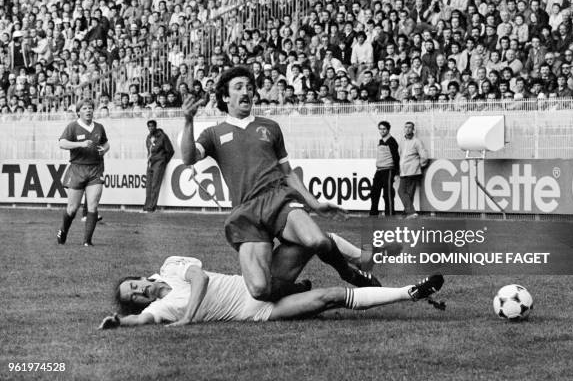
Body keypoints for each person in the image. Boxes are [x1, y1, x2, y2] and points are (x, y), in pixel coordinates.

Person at [181, 66, 380, 303]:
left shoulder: (270, 127)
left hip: (278, 198)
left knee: (316, 240)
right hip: (246, 212)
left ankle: (350, 274)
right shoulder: (214, 133)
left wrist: (314, 204)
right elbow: (188, 158)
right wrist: (188, 120)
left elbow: (288, 172)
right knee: (260, 290)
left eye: (249, 87)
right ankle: (299, 288)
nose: (247, 92)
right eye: (239, 87)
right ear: (225, 97)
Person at [98, 256, 444, 329]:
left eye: (135, 284)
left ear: (140, 276)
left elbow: (200, 279)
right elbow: (142, 320)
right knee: (331, 297)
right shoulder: (162, 309)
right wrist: (119, 320)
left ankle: (353, 265)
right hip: (257, 310)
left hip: (257, 283)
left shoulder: (171, 265)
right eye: (135, 296)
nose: (141, 291)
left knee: (309, 242)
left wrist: (189, 317)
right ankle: (410, 292)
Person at [56, 99, 110, 247]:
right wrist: (80, 144)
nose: (88, 110)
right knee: (72, 209)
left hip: (95, 169)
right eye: (85, 108)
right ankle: (63, 230)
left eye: (90, 108)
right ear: (79, 111)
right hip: (77, 169)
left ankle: (87, 241)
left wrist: (104, 149)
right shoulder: (73, 127)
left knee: (93, 205)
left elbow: (106, 143)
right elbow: (62, 143)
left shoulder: (99, 127)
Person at [397, 122, 428, 219]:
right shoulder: (402, 141)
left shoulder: (417, 141)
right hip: (403, 171)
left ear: (413, 130)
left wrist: (418, 166)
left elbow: (424, 156)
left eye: (410, 128)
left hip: (412, 171)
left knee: (401, 191)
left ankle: (410, 212)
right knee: (408, 194)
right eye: (406, 127)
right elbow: (400, 155)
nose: (407, 129)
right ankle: (407, 213)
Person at [143, 120, 175, 213]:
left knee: (154, 185)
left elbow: (170, 151)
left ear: (155, 126)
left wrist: (163, 161)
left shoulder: (162, 136)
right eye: (149, 126)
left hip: (159, 163)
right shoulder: (148, 137)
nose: (150, 128)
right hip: (150, 164)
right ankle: (146, 206)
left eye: (152, 126)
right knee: (148, 185)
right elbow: (149, 151)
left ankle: (151, 207)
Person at [369, 121, 399, 217]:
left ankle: (389, 215)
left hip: (388, 170)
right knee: (374, 193)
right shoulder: (381, 141)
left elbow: (396, 157)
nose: (382, 131)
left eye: (384, 129)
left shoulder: (391, 141)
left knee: (388, 195)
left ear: (388, 129)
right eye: (380, 129)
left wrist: (395, 173)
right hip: (379, 171)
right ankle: (373, 214)